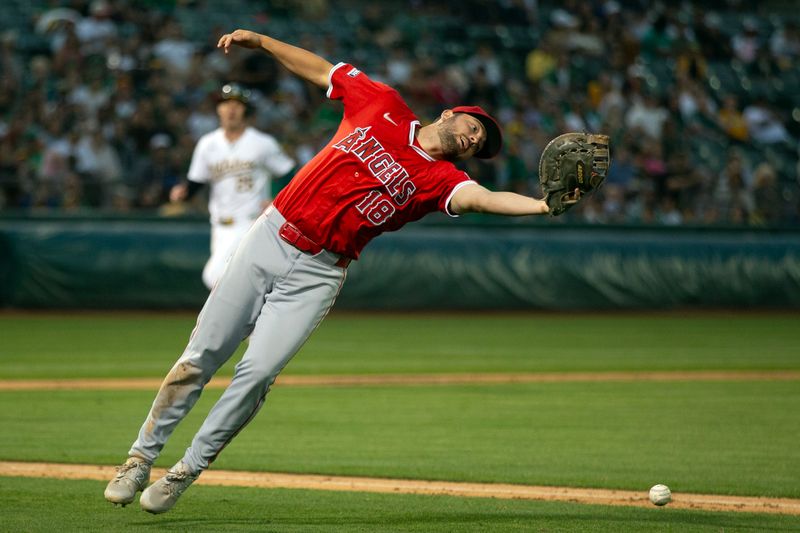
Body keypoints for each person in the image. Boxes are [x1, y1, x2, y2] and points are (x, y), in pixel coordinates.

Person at [104, 28, 576, 514]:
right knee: (201, 355)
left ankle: (186, 470)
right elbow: (321, 70)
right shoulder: (384, 105)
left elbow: (482, 198)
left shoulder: (443, 180)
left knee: (258, 373)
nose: (474, 139)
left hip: (319, 273)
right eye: (475, 127)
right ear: (449, 113)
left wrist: (541, 207)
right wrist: (264, 43)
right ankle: (139, 458)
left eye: (480, 144)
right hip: (271, 235)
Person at [169, 82, 296, 289]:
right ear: (218, 109)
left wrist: (277, 200)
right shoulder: (207, 144)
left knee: (214, 276)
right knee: (234, 281)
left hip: (251, 222)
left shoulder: (262, 143)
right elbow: (196, 182)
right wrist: (183, 193)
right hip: (219, 226)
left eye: (237, 104)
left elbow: (290, 176)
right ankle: (256, 314)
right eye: (225, 103)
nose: (231, 109)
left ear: (246, 110)